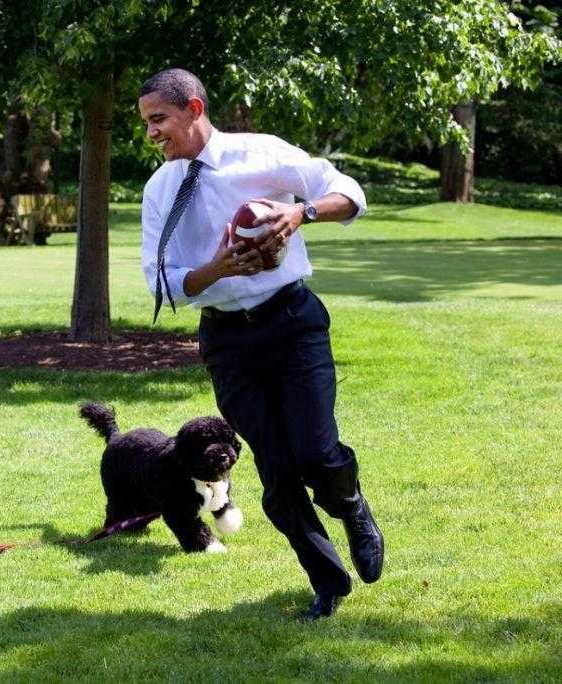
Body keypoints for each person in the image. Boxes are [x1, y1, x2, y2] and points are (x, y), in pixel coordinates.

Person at [138, 68, 384, 620]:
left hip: (292, 323)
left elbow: (349, 192)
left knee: (318, 454)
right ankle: (328, 583)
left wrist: (301, 212)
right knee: (276, 474)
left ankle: (352, 507)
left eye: (160, 119)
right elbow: (160, 281)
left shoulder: (261, 154)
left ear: (194, 110)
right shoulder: (159, 190)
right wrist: (215, 269)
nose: (152, 133)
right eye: (147, 123)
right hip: (228, 343)